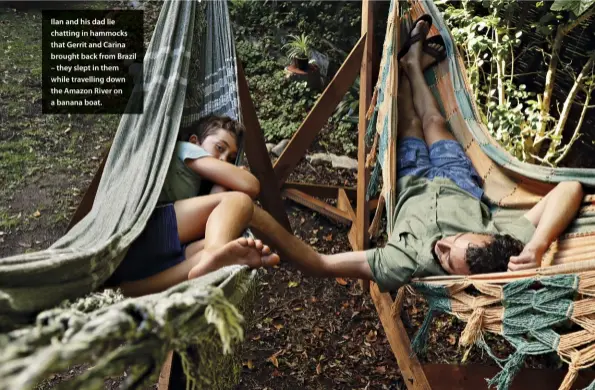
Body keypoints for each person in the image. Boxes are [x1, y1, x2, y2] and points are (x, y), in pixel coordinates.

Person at [243, 17, 584, 292]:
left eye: (449, 261)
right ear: (487, 236)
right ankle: (415, 66)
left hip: (412, 176)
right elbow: (570, 190)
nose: (443, 248)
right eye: (456, 240)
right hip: (458, 179)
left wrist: (255, 218)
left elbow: (319, 264)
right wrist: (536, 246)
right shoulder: (506, 238)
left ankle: (406, 66)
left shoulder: (405, 262)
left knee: (407, 120)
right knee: (434, 120)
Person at [107, 115, 280, 296]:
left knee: (223, 238)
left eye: (230, 158)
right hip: (142, 226)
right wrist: (235, 174)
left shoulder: (198, 182)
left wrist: (226, 181)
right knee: (239, 201)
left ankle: (133, 290)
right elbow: (251, 186)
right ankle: (213, 255)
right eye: (219, 148)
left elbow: (216, 214)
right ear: (195, 141)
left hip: (145, 258)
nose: (223, 160)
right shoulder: (186, 149)